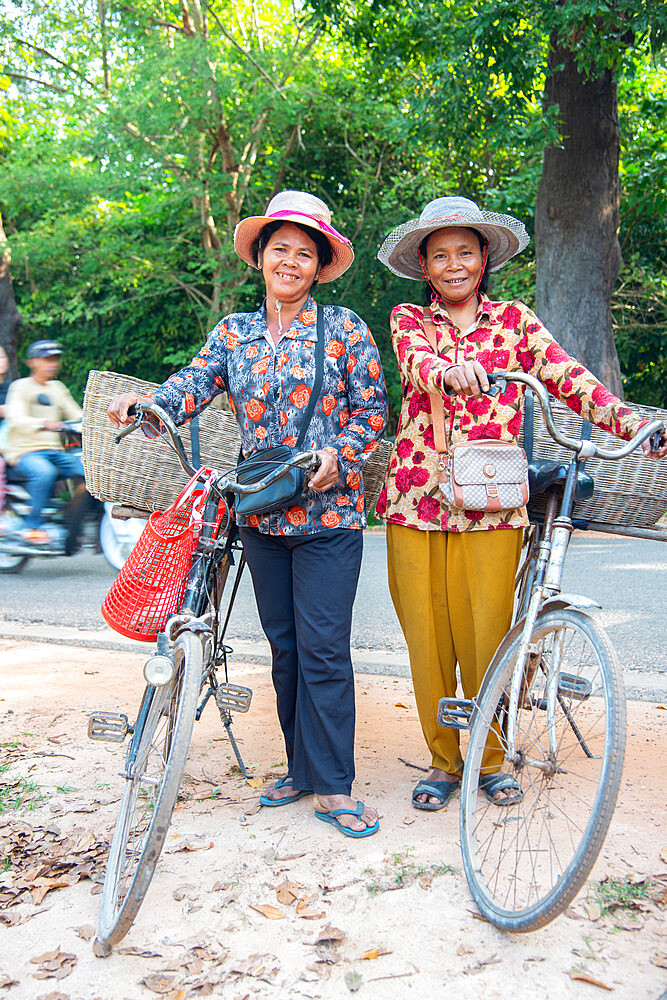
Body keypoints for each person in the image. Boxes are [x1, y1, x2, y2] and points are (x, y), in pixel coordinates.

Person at [108, 190, 388, 837]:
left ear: (318, 266)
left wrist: (338, 457)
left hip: (329, 518)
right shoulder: (232, 333)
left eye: (304, 253)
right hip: (260, 516)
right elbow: (194, 381)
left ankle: (335, 786)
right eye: (279, 249)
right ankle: (300, 770)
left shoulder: (344, 329)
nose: (289, 261)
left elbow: (370, 413)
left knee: (323, 649)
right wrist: (151, 406)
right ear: (260, 257)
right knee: (285, 650)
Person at [375, 196, 667, 811]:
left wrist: (633, 426)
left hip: (493, 497)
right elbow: (416, 364)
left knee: (489, 636)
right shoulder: (409, 319)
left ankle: (486, 756)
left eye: (464, 252)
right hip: (415, 500)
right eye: (439, 256)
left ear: (484, 258)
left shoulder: (516, 321)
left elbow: (572, 380)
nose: (453, 264)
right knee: (429, 642)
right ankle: (442, 760)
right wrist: (446, 373)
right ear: (425, 267)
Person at [3, 340, 84, 545]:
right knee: (43, 472)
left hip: (55, 451)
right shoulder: (20, 387)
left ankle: (71, 523)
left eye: (55, 359)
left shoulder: (57, 388)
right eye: (46, 359)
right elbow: (16, 418)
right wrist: (44, 423)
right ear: (32, 362)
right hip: (25, 452)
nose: (52, 364)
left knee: (87, 473)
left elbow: (76, 415)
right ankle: (33, 526)